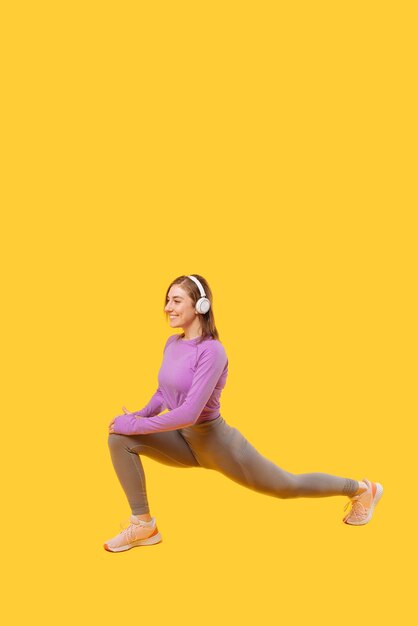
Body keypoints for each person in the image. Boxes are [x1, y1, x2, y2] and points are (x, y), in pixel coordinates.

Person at [105, 274, 383, 552]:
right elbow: (164, 393)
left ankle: (360, 489)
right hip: (182, 442)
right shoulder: (172, 344)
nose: (168, 307)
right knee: (119, 438)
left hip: (216, 443)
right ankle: (144, 525)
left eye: (176, 300)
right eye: (167, 300)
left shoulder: (212, 352)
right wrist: (138, 415)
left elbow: (190, 412)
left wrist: (137, 425)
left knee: (286, 485)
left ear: (200, 306)